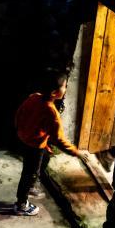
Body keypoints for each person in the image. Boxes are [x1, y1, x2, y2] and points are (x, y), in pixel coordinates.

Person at [12, 72, 79, 216]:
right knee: (28, 173)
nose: (66, 89)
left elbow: (19, 114)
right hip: (34, 146)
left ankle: (31, 184)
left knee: (45, 158)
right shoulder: (52, 112)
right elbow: (59, 139)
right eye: (64, 86)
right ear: (55, 92)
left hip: (25, 140)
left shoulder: (34, 97)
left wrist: (20, 130)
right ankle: (21, 204)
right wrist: (75, 151)